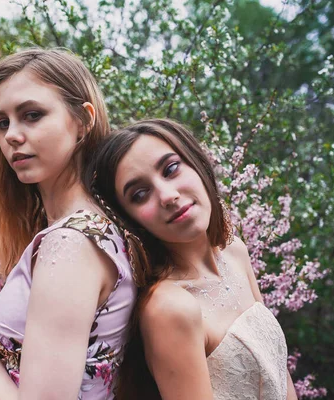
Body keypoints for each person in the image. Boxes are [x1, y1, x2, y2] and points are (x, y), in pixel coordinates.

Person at [0, 48, 137, 400]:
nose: (10, 136)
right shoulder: (85, 229)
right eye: (2, 122)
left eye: (32, 115)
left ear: (83, 121)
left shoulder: (72, 244)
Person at [87, 118, 298, 400]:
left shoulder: (235, 251)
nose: (168, 196)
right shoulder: (169, 307)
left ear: (197, 163)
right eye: (140, 194)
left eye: (171, 169)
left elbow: (280, 374)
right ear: (131, 220)